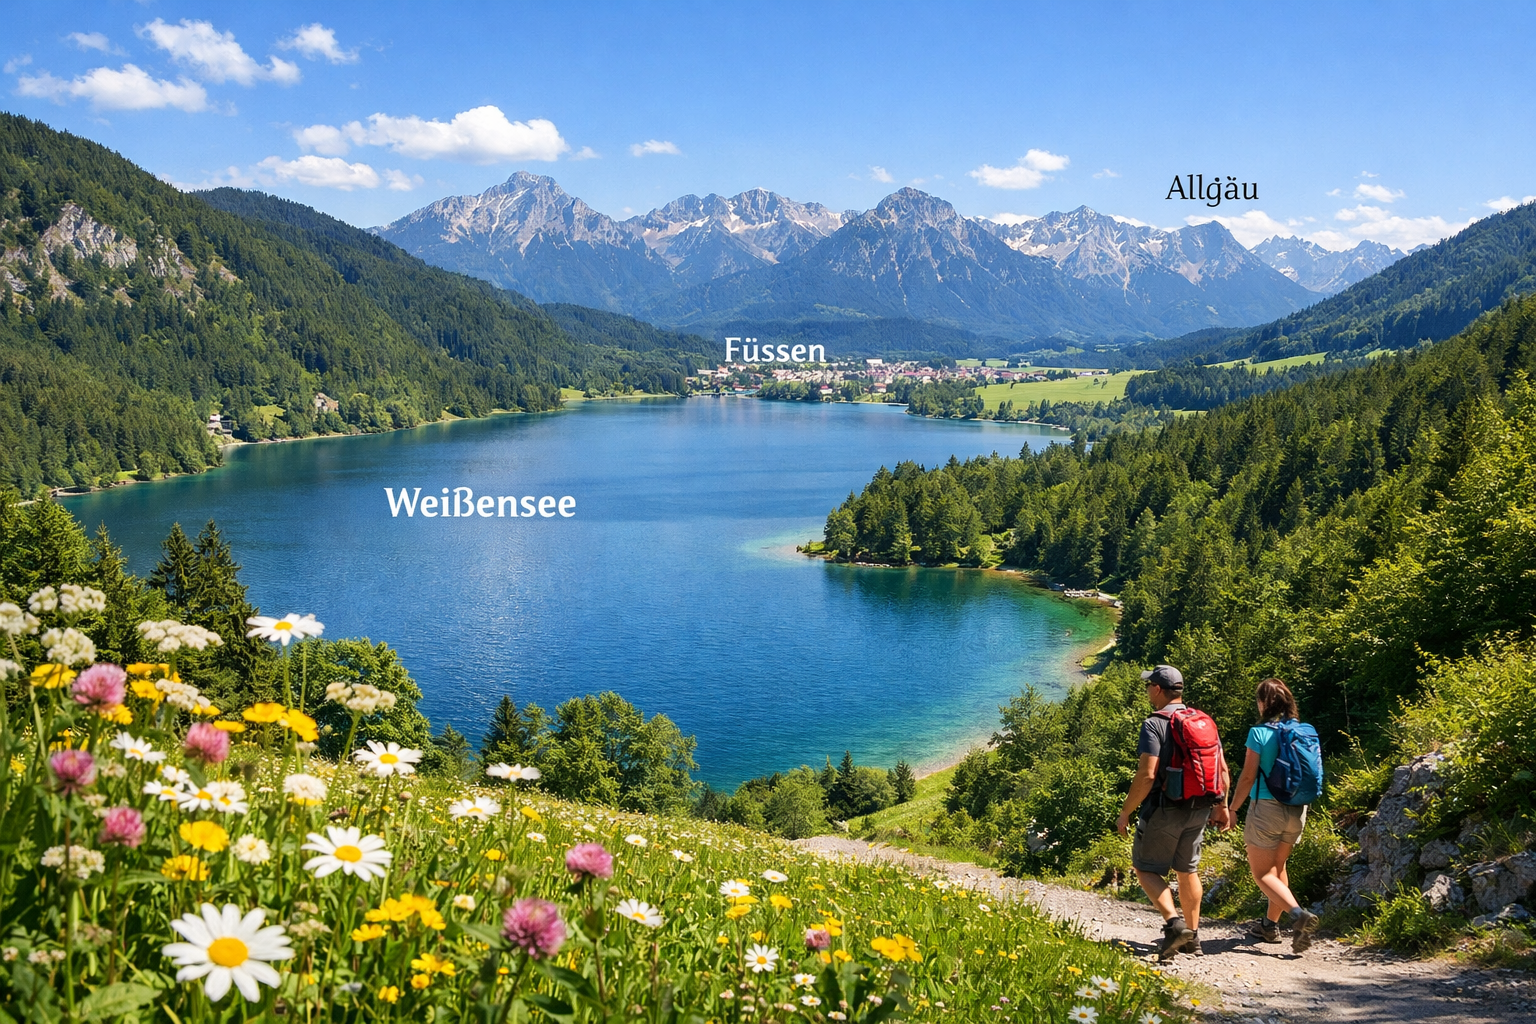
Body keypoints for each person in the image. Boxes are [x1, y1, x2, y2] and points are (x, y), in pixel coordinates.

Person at [1116, 665, 1231, 960]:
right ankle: (1193, 938)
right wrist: (1222, 806)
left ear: (1157, 689)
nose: (1147, 691)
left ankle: (1174, 924)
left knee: (1145, 868)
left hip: (1165, 809)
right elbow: (1222, 770)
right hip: (1200, 808)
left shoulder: (1154, 724)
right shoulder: (1202, 721)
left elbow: (1147, 775)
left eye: (1148, 686)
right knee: (1187, 870)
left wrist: (1126, 811)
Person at [1228, 677, 1321, 953]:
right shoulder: (1305, 730)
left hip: (1267, 810)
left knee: (1262, 874)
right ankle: (1269, 926)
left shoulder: (1258, 734)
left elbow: (1247, 778)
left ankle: (1298, 915)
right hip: (1298, 809)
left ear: (1262, 704)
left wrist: (1232, 809)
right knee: (1278, 868)